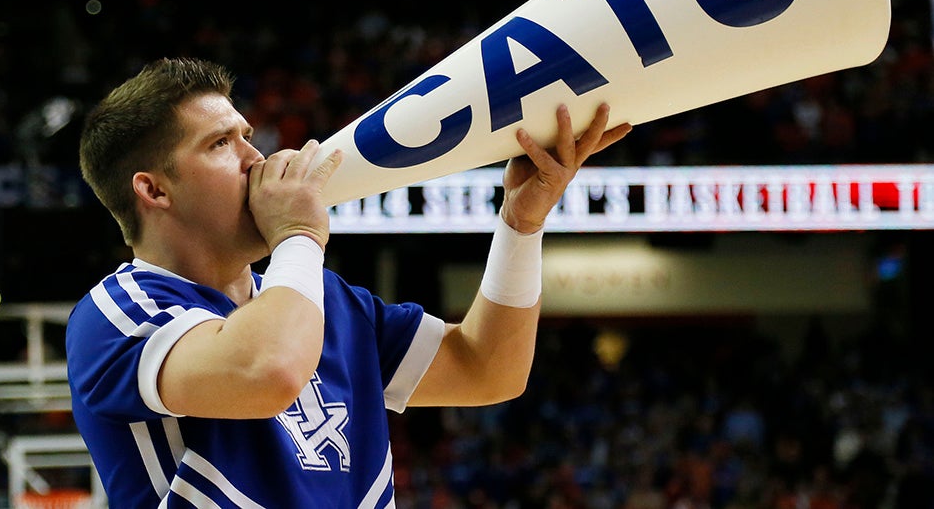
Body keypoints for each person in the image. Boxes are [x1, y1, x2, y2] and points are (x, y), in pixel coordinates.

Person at [66, 56, 631, 508]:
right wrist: (298, 235)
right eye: (220, 144)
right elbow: (269, 371)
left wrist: (520, 225)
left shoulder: (321, 296)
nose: (256, 156)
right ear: (155, 191)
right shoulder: (116, 315)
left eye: (246, 135)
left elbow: (489, 371)